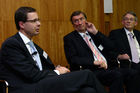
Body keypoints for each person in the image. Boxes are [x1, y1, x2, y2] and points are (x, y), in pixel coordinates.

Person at [0, 7, 107, 93]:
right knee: (87, 74)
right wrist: (56, 72)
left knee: (88, 90)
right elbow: (30, 74)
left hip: (42, 82)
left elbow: (43, 67)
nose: (39, 24)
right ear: (21, 24)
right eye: (34, 21)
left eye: (38, 20)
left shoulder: (33, 45)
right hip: (28, 87)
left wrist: (56, 68)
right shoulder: (12, 44)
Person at [63, 10, 124, 93]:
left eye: (81, 19)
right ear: (73, 25)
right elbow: (72, 59)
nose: (79, 23)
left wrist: (96, 32)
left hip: (109, 66)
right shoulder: (69, 38)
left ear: (86, 20)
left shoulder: (93, 33)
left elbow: (111, 47)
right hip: (91, 70)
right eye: (76, 21)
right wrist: (93, 62)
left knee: (132, 73)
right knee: (117, 75)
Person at [108, 11, 140, 93]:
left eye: (131, 19)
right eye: (126, 19)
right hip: (126, 65)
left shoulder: (138, 34)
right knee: (135, 73)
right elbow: (108, 51)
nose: (128, 21)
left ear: (135, 23)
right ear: (122, 22)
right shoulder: (115, 34)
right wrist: (119, 56)